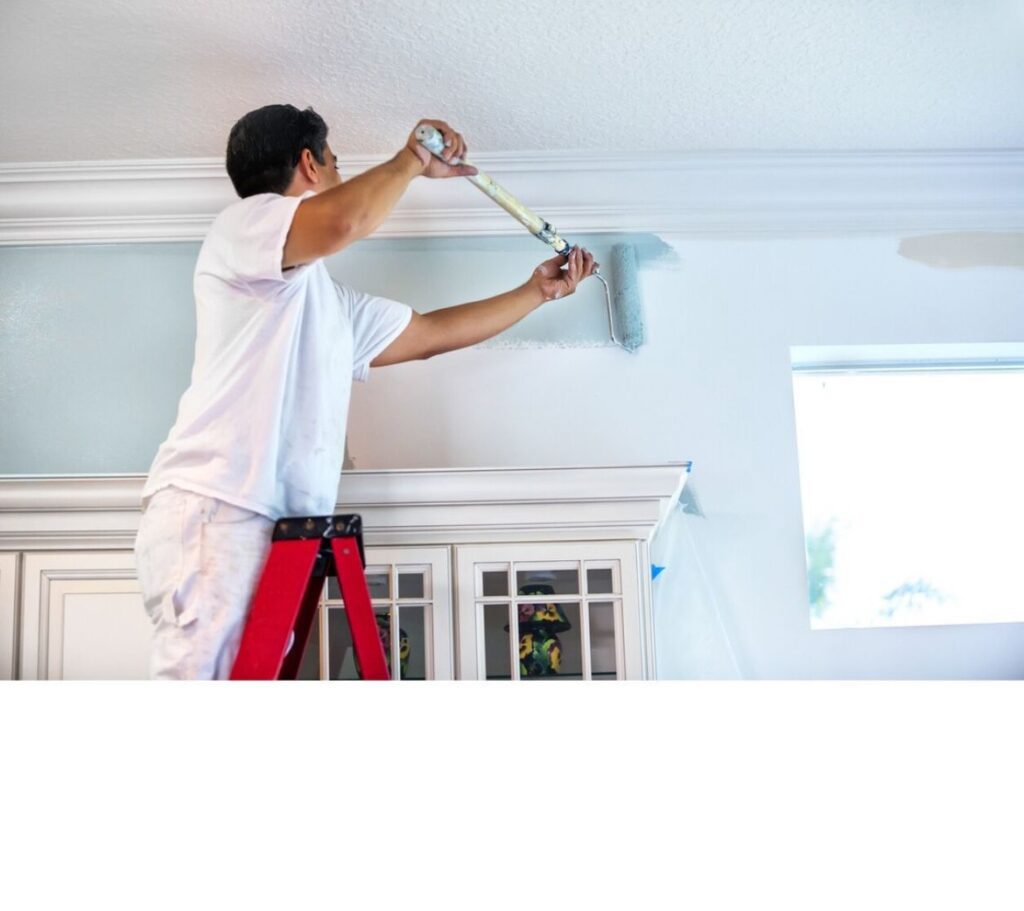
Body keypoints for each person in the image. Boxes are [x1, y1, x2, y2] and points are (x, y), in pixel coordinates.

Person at [133, 104, 597, 679]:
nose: (338, 173)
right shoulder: (244, 226)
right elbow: (343, 223)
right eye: (334, 162)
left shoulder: (324, 304)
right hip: (219, 505)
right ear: (309, 163)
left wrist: (537, 293)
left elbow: (428, 334)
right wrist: (411, 160)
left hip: (272, 527)